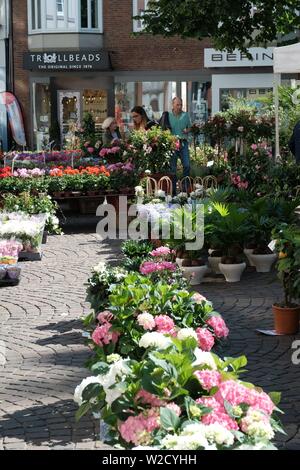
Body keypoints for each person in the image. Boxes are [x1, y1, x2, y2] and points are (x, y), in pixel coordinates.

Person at [160, 97, 192, 195]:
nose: (179, 107)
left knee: (187, 165)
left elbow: (190, 127)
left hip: (183, 143)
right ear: (172, 105)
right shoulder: (168, 116)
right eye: (177, 104)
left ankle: (185, 189)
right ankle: (173, 191)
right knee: (172, 168)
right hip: (172, 144)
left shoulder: (185, 115)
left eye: (181, 105)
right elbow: (163, 129)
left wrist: (187, 130)